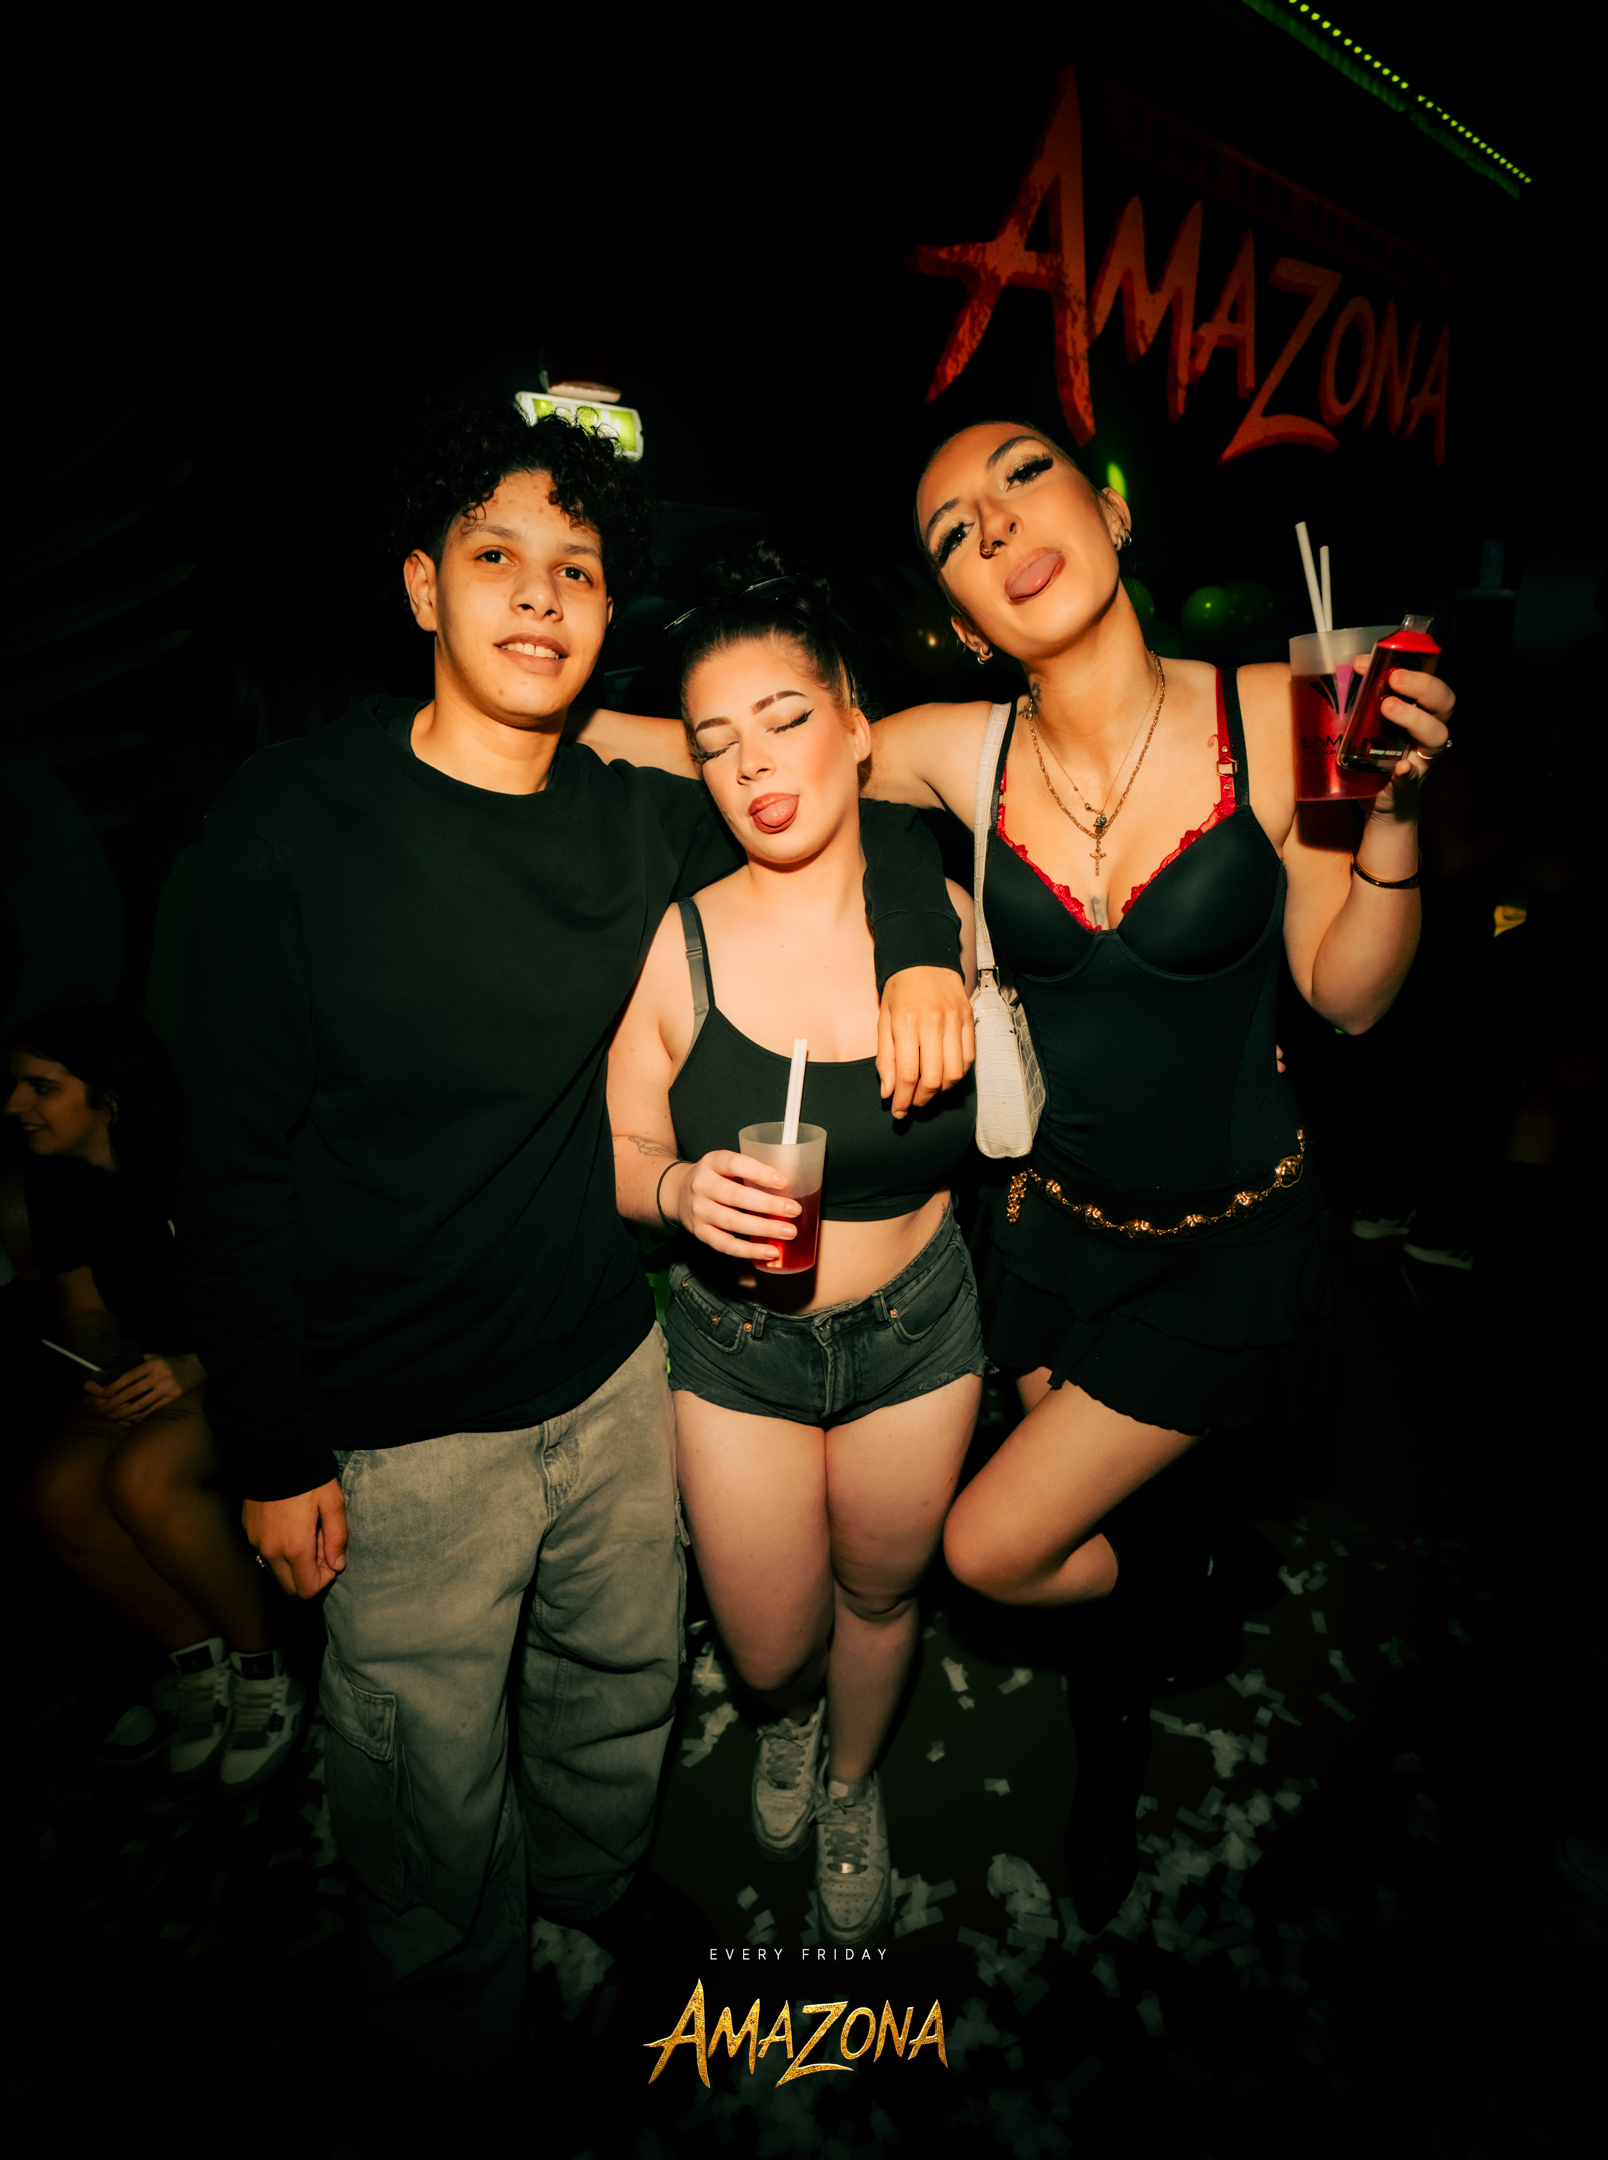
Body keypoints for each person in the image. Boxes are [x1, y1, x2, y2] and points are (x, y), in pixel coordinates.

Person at [178, 393, 973, 2065]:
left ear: (609, 616)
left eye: (579, 568)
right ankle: (459, 2027)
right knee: (423, 1775)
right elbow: (229, 1163)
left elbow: (857, 819)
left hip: (612, 1375)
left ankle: (592, 1888)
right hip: (400, 1425)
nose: (540, 594)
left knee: (617, 1694)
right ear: (422, 586)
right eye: (497, 556)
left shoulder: (636, 823)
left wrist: (917, 946)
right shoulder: (286, 826)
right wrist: (270, 1447)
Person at [581, 417, 1455, 1922]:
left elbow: (1351, 992)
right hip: (1051, 1231)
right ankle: (1129, 1678)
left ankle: (1142, 1659)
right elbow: (763, 749)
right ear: (964, 619)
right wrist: (515, 711)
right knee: (1097, 1525)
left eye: (1024, 477)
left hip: (1227, 1240)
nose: (991, 525)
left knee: (993, 1544)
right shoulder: (961, 748)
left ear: (1114, 517)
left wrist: (1391, 820)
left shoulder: (1286, 708)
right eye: (950, 531)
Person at [606, 562, 982, 1946]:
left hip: (917, 1329)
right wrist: (677, 1188)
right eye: (717, 744)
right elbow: (620, 1145)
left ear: (859, 727)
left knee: (882, 1594)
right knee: (769, 1647)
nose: (754, 766)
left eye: (785, 720)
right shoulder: (682, 942)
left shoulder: (945, 919)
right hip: (736, 1346)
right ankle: (789, 1720)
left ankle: (851, 1780)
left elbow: (1047, 1094)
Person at [12, 1005, 302, 1790]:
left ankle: (266, 1668)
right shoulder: (53, 1179)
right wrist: (99, 1363)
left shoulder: (198, 1155)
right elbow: (84, 1309)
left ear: (107, 1094)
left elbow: (284, 1284)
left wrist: (193, 1364)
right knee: (58, 1490)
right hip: (154, 1361)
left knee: (142, 1476)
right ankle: (199, 1661)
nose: (15, 1105)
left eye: (41, 1086)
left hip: (246, 1355)